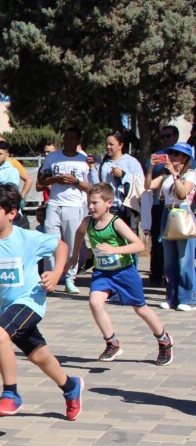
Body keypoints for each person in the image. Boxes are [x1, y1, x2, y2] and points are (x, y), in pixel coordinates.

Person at [0, 183, 82, 420]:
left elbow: (61, 246)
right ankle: (70, 387)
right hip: (8, 309)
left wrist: (56, 274)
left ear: (11, 213)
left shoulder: (28, 239)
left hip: (30, 301)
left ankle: (11, 394)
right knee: (38, 355)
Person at [65, 183, 173, 365]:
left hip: (124, 272)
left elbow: (140, 245)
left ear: (108, 203)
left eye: (94, 203)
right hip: (102, 273)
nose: (90, 207)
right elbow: (78, 233)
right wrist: (75, 256)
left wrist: (115, 250)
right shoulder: (87, 222)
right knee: (94, 302)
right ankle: (112, 342)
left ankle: (164, 340)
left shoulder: (116, 222)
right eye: (88, 203)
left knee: (140, 308)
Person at [37, 128, 90, 294]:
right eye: (66, 138)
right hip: (54, 203)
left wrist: (75, 182)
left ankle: (69, 278)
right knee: (50, 242)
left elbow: (91, 187)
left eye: (72, 138)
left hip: (74, 205)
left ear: (78, 141)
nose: (68, 141)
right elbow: (41, 179)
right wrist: (55, 179)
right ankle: (50, 278)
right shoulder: (53, 157)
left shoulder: (84, 160)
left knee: (72, 243)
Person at [148, 141, 196, 311]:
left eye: (176, 154)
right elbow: (148, 186)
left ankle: (187, 298)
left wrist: (175, 175)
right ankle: (171, 297)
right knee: (169, 260)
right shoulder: (166, 175)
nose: (172, 157)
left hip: (183, 214)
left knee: (184, 259)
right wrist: (152, 168)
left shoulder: (191, 175)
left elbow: (183, 193)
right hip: (167, 214)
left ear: (185, 158)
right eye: (171, 154)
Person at [88, 130, 145, 230]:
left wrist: (123, 175)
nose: (108, 147)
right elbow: (96, 185)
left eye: (111, 144)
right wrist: (92, 168)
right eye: (107, 144)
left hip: (125, 207)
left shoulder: (131, 162)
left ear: (120, 145)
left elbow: (140, 183)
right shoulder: (103, 163)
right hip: (106, 207)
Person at [146, 125, 181, 285]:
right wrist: (154, 166)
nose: (165, 140)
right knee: (159, 241)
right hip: (159, 203)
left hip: (180, 206)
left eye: (167, 136)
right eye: (162, 137)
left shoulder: (184, 155)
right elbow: (148, 183)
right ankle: (156, 273)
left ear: (175, 136)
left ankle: (179, 278)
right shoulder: (157, 156)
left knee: (179, 241)